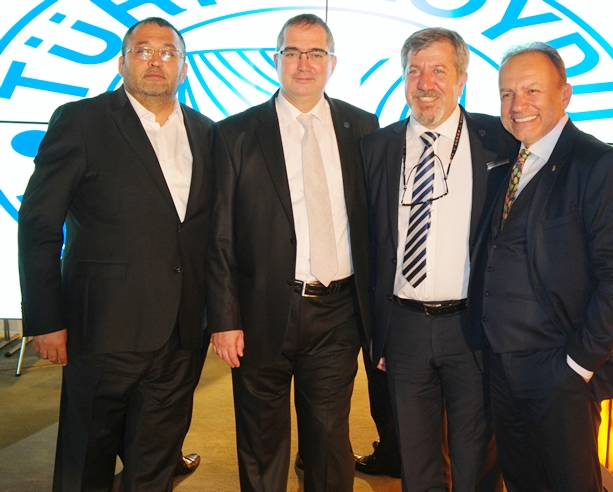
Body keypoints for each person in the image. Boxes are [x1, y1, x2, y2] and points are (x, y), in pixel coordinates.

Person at [18, 17, 213, 491]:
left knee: (155, 461)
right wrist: (45, 318)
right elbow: (39, 225)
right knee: (87, 459)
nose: (155, 61)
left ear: (184, 67)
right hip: (103, 330)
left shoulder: (207, 132)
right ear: (121, 62)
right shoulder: (81, 121)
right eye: (143, 50)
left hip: (182, 333)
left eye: (168, 52)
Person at [207, 13, 379, 492]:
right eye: (293, 52)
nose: (304, 63)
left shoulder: (362, 127)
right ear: (276, 59)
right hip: (260, 311)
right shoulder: (235, 133)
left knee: (329, 439)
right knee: (262, 441)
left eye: (315, 53)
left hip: (338, 313)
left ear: (332, 63)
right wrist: (224, 318)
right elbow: (219, 235)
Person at [469, 42, 613, 491]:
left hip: (559, 371)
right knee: (522, 480)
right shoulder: (510, 162)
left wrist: (578, 365)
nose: (517, 105)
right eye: (507, 94)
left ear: (564, 95)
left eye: (532, 90)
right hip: (503, 369)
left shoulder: (600, 164)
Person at [362, 27, 514, 491]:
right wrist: (377, 335)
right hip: (404, 328)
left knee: (476, 458)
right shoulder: (375, 148)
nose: (425, 83)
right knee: (416, 458)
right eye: (414, 71)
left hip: (472, 327)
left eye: (438, 71)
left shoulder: (500, 141)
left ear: (462, 79)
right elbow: (367, 245)